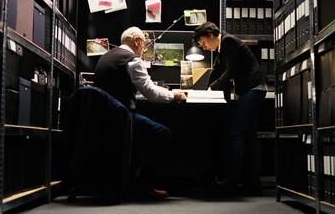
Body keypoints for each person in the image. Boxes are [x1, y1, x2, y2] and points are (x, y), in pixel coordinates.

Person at [93, 26, 187, 200]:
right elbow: (151, 93)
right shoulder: (133, 60)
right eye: (144, 43)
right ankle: (144, 184)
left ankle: (130, 179)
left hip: (104, 119)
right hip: (121, 117)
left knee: (142, 137)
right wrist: (173, 94)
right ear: (136, 41)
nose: (144, 48)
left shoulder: (106, 56)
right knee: (162, 133)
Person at [193, 21, 268, 196]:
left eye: (202, 43)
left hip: (253, 88)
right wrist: (206, 90)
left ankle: (234, 178)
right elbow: (217, 70)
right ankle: (253, 182)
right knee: (250, 134)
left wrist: (212, 88)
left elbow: (231, 71)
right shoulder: (223, 47)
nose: (203, 47)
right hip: (252, 89)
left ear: (210, 36)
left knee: (236, 131)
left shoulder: (228, 42)